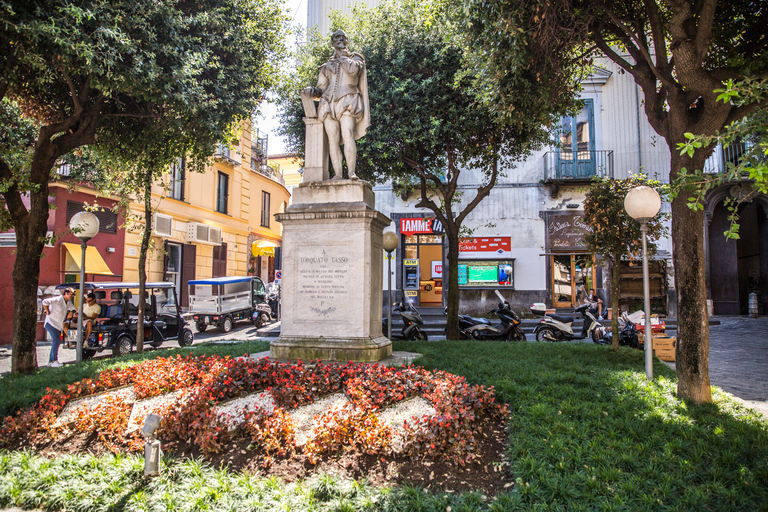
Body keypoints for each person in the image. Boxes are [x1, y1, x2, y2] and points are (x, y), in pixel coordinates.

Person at [302, 29, 370, 180]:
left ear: (347, 41)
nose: (341, 40)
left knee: (348, 134)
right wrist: (312, 90)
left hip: (348, 99)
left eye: (343, 37)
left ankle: (351, 172)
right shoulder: (327, 65)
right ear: (332, 42)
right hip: (328, 103)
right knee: (332, 140)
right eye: (337, 38)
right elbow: (321, 87)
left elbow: (353, 71)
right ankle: (338, 174)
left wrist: (344, 57)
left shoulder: (355, 58)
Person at [42, 288, 76, 367]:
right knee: (56, 340)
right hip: (51, 323)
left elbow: (73, 309)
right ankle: (54, 360)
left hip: (58, 325)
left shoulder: (69, 302)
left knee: (56, 341)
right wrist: (47, 311)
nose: (73, 296)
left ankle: (50, 362)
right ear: (66, 294)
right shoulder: (57, 299)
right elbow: (45, 301)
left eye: (74, 294)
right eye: (71, 294)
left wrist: (72, 312)